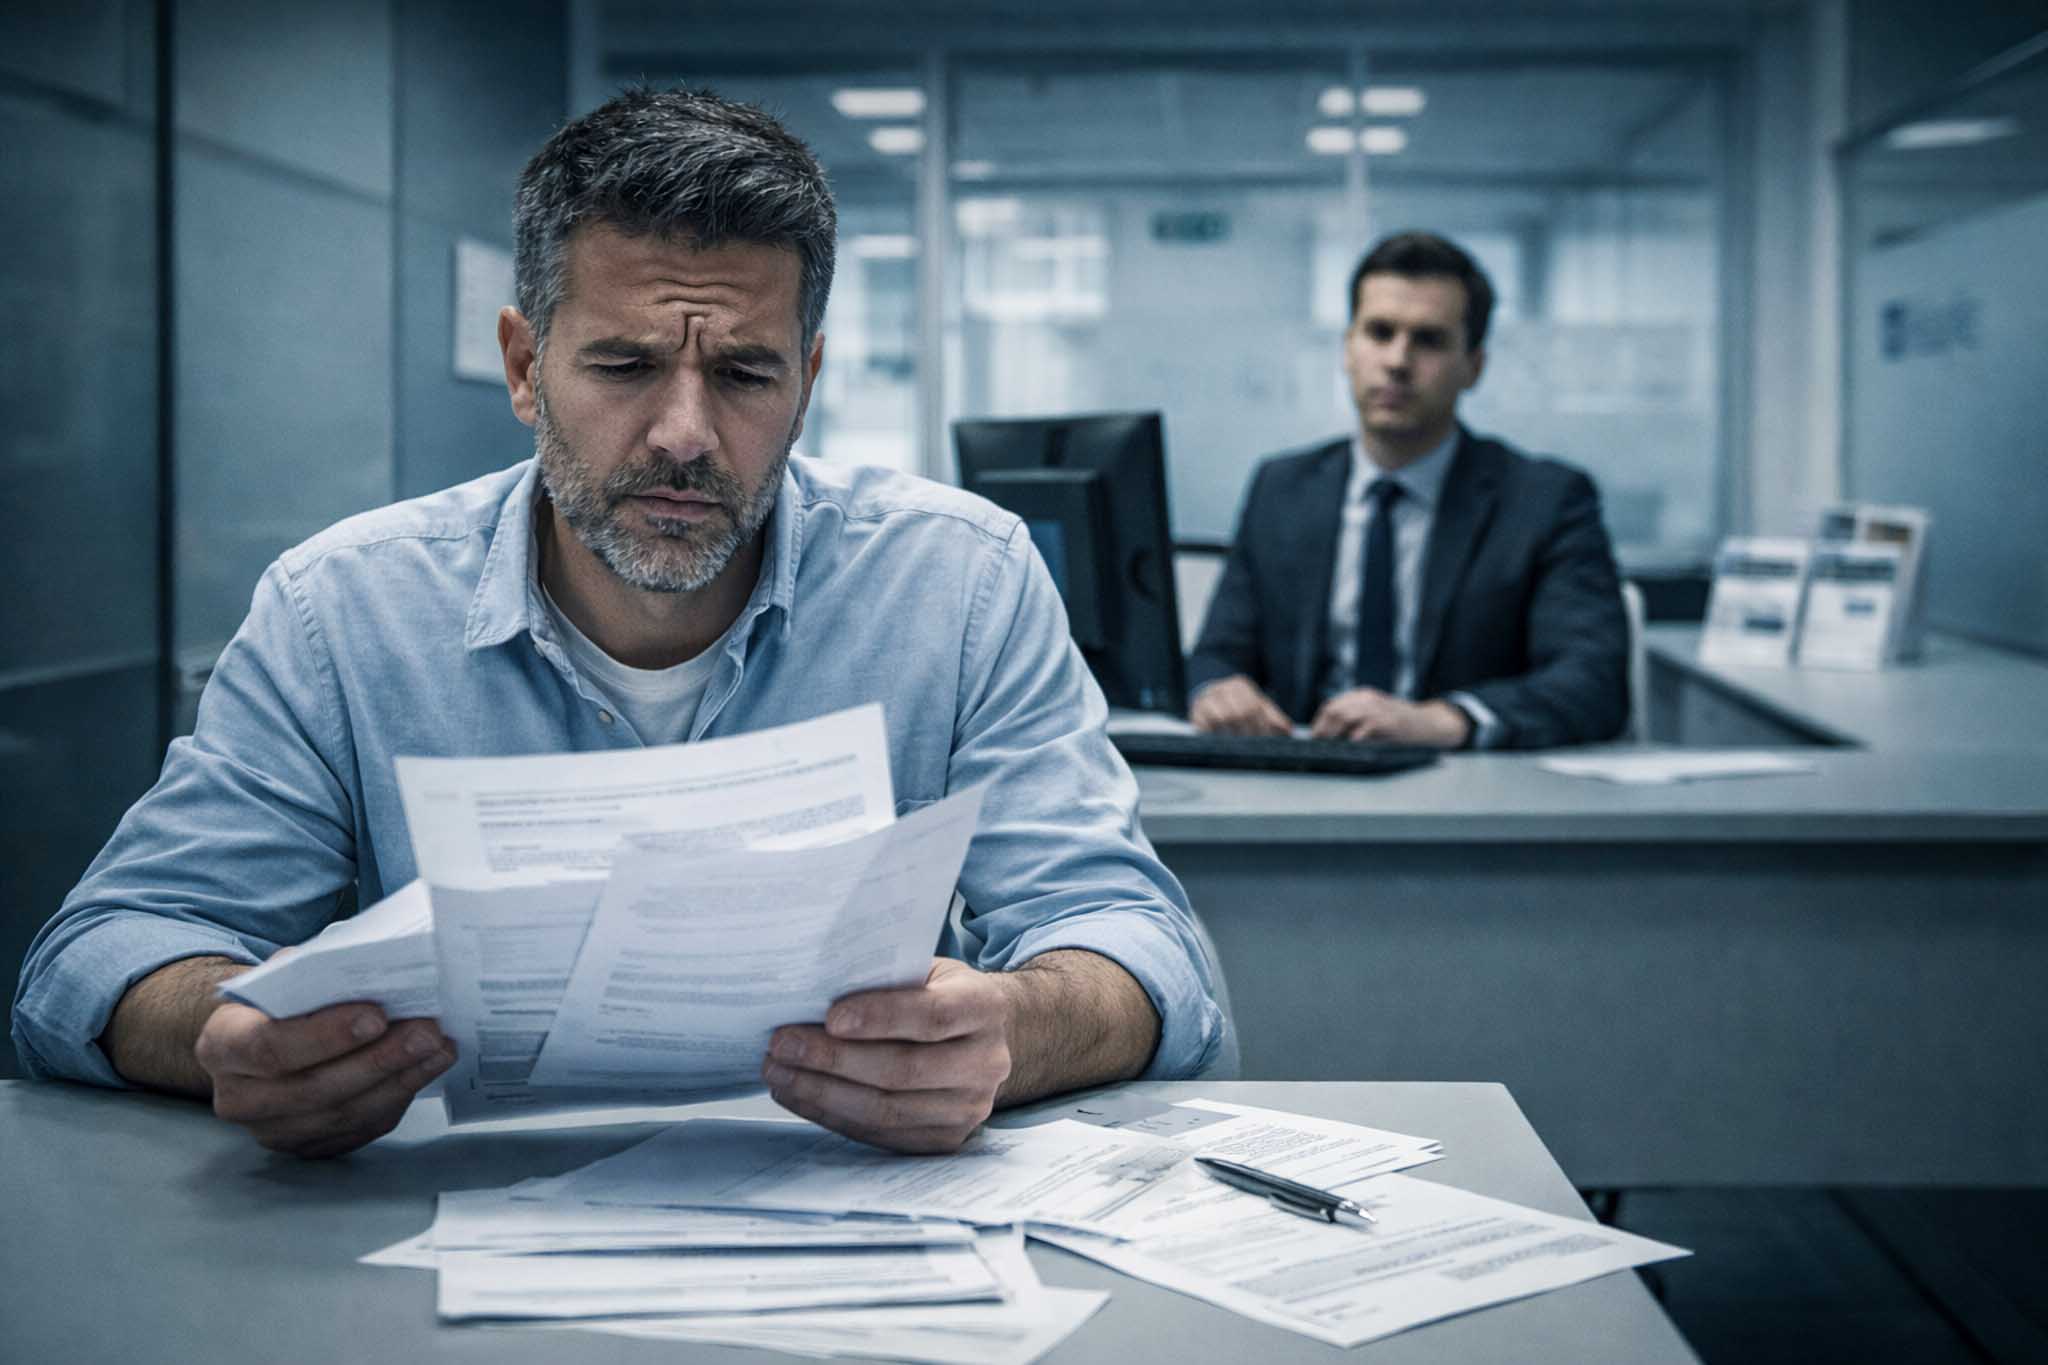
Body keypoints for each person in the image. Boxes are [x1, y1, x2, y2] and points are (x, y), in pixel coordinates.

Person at [12, 87, 1225, 1159]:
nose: (685, 435)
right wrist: (231, 1034)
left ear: (807, 379)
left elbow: (1139, 946)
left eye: (744, 375)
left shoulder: (956, 583)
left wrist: (1015, 1030)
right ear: (525, 365)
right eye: (625, 366)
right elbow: (97, 956)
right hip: (432, 1241)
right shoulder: (346, 610)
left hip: (841, 1229)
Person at [1187, 231, 1628, 750]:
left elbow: (1593, 681)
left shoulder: (1546, 500)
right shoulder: (1282, 489)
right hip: (1304, 785)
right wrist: (1218, 689)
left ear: (1474, 367)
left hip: (1465, 794)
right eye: (1379, 332)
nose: (1397, 360)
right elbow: (1217, 653)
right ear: (1348, 350)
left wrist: (1446, 721)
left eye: (1429, 340)